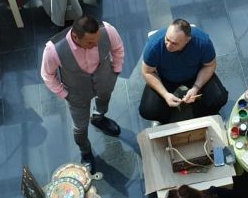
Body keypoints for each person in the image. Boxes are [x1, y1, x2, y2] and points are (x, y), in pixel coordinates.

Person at [41, 15, 124, 172]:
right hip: (76, 93)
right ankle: (85, 152)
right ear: (75, 37)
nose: (96, 45)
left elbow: (118, 48)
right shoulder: (54, 50)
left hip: (105, 80)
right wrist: (63, 93)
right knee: (79, 128)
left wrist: (116, 70)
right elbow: (47, 75)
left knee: (104, 100)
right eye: (90, 43)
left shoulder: (107, 30)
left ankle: (99, 117)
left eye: (97, 40)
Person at [138, 19, 228, 124]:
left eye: (174, 43)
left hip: (195, 74)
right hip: (166, 78)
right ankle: (166, 119)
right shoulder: (154, 45)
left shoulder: (202, 42)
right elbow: (147, 72)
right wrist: (165, 94)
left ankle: (204, 114)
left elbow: (210, 65)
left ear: (188, 40)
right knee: (148, 110)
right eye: (167, 39)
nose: (168, 46)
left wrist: (196, 87)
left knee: (219, 97)